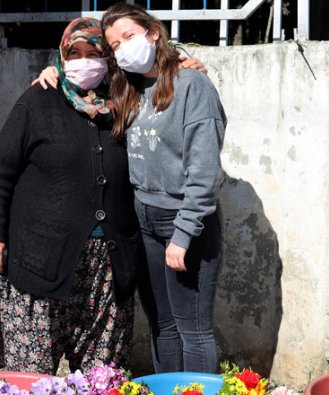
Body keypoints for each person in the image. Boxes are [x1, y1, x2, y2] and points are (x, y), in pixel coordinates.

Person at [0, 17, 142, 374]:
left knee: (102, 376)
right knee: (31, 375)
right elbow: (0, 171)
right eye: (75, 53)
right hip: (41, 259)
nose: (84, 61)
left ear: (108, 58)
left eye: (93, 53)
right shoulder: (38, 99)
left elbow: (161, 64)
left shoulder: (126, 101)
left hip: (109, 267)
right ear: (62, 57)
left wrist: (184, 61)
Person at [100, 3, 227, 374]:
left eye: (129, 37)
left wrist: (184, 234)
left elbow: (204, 172)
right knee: (163, 326)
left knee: (193, 329)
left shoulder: (193, 86)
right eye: (115, 45)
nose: (122, 48)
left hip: (184, 222)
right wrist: (50, 71)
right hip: (145, 221)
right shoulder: (129, 88)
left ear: (152, 32)